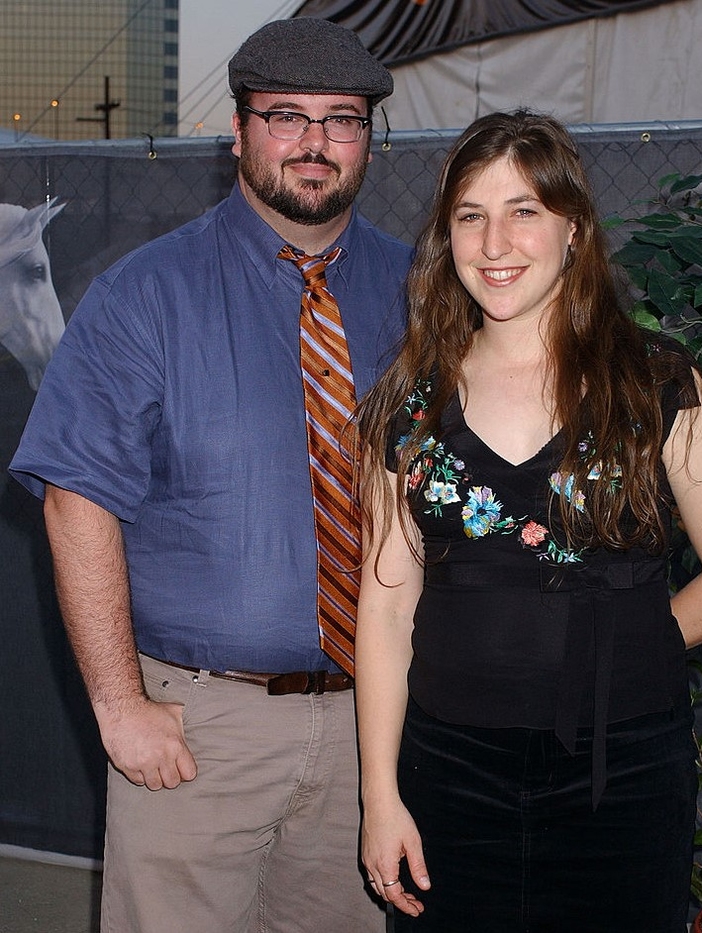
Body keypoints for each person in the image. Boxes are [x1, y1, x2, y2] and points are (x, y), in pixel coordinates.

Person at [10, 17, 411, 933]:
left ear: (367, 141)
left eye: (341, 119)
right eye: (286, 115)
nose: (313, 143)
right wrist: (121, 705)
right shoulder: (144, 294)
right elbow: (76, 501)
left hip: (375, 727)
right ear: (238, 131)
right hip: (199, 731)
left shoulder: (420, 290)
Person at [354, 110, 702, 933]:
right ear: (447, 238)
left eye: (524, 211)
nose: (495, 242)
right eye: (470, 215)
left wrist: (613, 649)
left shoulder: (659, 386)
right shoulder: (409, 404)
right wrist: (380, 797)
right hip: (449, 778)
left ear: (573, 227)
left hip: (622, 779)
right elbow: (386, 607)